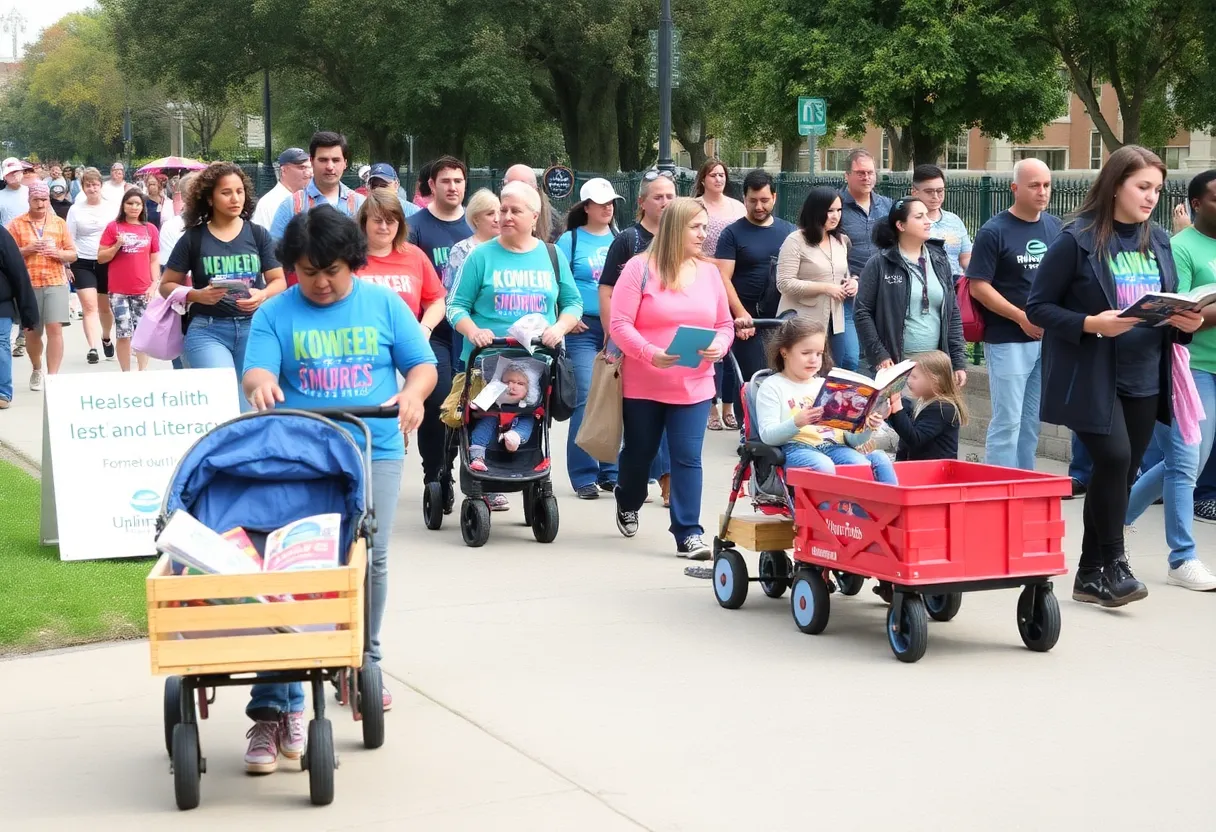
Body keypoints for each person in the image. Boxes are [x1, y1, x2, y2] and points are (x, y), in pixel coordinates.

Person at [241, 205, 437, 773]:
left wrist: (413, 394)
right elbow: (255, 372)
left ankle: (363, 661)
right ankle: (280, 701)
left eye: (332, 270)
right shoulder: (276, 313)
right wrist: (263, 383)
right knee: (291, 567)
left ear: (352, 262)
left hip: (372, 444)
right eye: (308, 272)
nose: (321, 283)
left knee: (369, 556)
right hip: (301, 451)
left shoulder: (381, 303)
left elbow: (420, 364)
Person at [1026, 145, 1203, 608]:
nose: (1150, 198)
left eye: (1157, 190)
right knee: (1116, 459)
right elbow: (1038, 307)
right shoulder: (1077, 239)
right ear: (1116, 184)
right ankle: (1116, 563)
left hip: (1147, 374)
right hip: (1092, 374)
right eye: (1142, 187)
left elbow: (1166, 301)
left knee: (1119, 473)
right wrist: (1091, 324)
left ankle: (1089, 575)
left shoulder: (1160, 239)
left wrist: (1185, 321)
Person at [609, 197, 734, 558]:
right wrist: (650, 353)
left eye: (704, 227)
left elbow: (724, 324)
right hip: (644, 382)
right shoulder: (638, 268)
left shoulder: (709, 273)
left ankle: (688, 532)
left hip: (695, 383)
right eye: (696, 227)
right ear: (675, 228)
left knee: (687, 457)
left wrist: (721, 345)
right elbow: (619, 325)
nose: (703, 234)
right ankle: (627, 498)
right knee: (640, 453)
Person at [1122, 168, 1216, 591]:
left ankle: (1114, 518)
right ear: (1197, 203)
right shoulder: (1179, 246)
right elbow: (1178, 314)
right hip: (1191, 368)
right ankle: (1182, 558)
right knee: (1185, 462)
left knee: (1182, 461)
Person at [161, 162, 287, 404]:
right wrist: (196, 295)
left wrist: (262, 295)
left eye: (239, 192)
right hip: (208, 330)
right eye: (226, 192)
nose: (235, 198)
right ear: (210, 198)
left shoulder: (258, 234)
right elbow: (166, 285)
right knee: (223, 401)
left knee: (248, 405)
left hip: (254, 329)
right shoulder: (193, 238)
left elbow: (278, 280)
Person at [966, 158, 1061, 470]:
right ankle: (997, 487)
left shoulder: (1054, 226)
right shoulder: (994, 231)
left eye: (1046, 185)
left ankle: (1024, 484)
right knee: (1007, 421)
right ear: (1015, 188)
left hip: (1046, 339)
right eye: (1034, 185)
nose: (1042, 192)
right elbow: (979, 287)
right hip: (1008, 339)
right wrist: (1021, 317)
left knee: (1031, 421)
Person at [598, 171, 677, 504]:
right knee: (642, 422)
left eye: (671, 196)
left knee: (670, 413)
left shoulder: (681, 242)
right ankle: (632, 480)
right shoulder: (628, 240)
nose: (665, 202)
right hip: (631, 341)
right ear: (642, 203)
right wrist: (611, 335)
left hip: (670, 344)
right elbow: (607, 289)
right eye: (658, 197)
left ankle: (667, 480)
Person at [408, 156, 479, 505]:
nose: (453, 187)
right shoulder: (415, 227)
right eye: (446, 181)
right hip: (432, 330)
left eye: (459, 181)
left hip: (469, 333)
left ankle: (470, 467)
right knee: (438, 402)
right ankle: (436, 473)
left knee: (473, 403)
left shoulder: (475, 226)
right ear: (431, 185)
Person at [755, 316, 896, 482]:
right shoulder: (772, 386)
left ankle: (869, 506)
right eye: (806, 353)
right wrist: (797, 422)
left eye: (819, 353)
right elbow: (767, 435)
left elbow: (852, 440)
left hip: (835, 445)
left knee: (860, 465)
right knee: (823, 466)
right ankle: (832, 507)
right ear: (784, 352)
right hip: (797, 447)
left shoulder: (826, 385)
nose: (814, 359)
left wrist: (867, 427)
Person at [854, 197, 968, 387]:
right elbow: (862, 311)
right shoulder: (880, 263)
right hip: (897, 365)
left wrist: (958, 362)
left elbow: (952, 312)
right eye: (919, 216)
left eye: (927, 215)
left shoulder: (939, 260)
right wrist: (879, 354)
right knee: (900, 415)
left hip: (936, 364)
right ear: (901, 225)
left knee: (932, 416)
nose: (928, 221)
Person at [714, 169, 796, 425]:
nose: (759, 206)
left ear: (774, 197)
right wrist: (740, 314)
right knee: (751, 379)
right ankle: (748, 432)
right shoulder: (732, 233)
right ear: (744, 198)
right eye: (752, 201)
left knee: (783, 378)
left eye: (764, 200)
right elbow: (723, 277)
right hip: (747, 321)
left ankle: (777, 431)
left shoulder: (789, 232)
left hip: (782, 319)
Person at [557, 177, 621, 498]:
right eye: (601, 202)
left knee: (614, 398)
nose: (608, 207)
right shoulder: (568, 242)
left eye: (611, 201)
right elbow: (556, 282)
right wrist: (567, 316)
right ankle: (583, 474)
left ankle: (611, 470)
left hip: (617, 331)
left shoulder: (622, 240)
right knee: (585, 397)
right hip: (581, 332)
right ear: (587, 208)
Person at [776, 186, 858, 371]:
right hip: (802, 321)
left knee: (833, 372)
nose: (835, 216)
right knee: (806, 375)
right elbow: (784, 283)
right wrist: (825, 288)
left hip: (835, 321)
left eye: (839, 210)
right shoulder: (795, 240)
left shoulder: (841, 241)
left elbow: (842, 274)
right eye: (830, 210)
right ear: (816, 211)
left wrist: (852, 283)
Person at [8, 181, 76, 390]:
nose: (40, 203)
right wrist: (26, 249)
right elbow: (7, 256)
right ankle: (37, 368)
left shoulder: (58, 223)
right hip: (28, 284)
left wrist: (59, 254)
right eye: (36, 199)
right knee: (32, 332)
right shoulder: (16, 224)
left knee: (55, 329)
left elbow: (73, 253)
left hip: (55, 281)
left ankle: (53, 376)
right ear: (28, 200)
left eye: (44, 199)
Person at [693, 158, 746, 430]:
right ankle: (711, 406)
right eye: (713, 174)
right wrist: (715, 263)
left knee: (729, 347)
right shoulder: (696, 207)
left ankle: (728, 406)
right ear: (703, 178)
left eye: (722, 174)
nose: (718, 179)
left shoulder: (737, 207)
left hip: (731, 279)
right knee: (709, 344)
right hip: (702, 274)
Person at [355, 189, 446, 328]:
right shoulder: (348, 257)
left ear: (400, 224)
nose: (384, 227)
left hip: (406, 342)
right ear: (364, 221)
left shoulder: (415, 255)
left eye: (390, 221)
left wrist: (425, 329)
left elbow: (436, 301)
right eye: (377, 221)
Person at [97, 189, 160, 372]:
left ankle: (142, 371)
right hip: (118, 290)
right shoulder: (113, 227)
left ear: (143, 207)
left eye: (138, 204)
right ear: (123, 205)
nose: (134, 207)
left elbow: (154, 259)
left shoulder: (150, 229)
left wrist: (153, 284)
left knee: (142, 333)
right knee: (123, 333)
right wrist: (117, 245)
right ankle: (126, 373)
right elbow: (101, 257)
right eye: (130, 203)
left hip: (143, 288)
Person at [269, 131, 366, 241]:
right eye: (323, 160)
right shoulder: (291, 206)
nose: (330, 166)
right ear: (312, 161)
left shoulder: (361, 204)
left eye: (336, 160)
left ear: (345, 163)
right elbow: (274, 252)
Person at [66, 167, 117, 364]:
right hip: (82, 261)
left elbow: (116, 233)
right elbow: (69, 237)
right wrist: (67, 264)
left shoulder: (111, 208)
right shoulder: (75, 209)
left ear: (101, 186)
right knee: (89, 306)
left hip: (105, 260)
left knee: (105, 308)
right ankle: (93, 347)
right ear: (83, 187)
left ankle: (105, 337)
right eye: (88, 185)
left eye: (95, 185)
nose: (92, 189)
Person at [886, 350, 967, 461]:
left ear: (934, 381)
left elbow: (915, 439)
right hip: (920, 468)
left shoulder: (943, 408)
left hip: (935, 472)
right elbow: (905, 428)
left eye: (914, 377)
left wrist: (897, 405)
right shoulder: (923, 401)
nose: (909, 381)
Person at [468, 363, 538, 471]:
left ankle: (514, 437)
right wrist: (477, 404)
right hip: (491, 439)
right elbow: (476, 407)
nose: (512, 386)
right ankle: (478, 457)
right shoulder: (493, 400)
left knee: (528, 420)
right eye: (506, 382)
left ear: (529, 389)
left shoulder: (527, 406)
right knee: (486, 422)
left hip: (519, 439)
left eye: (520, 383)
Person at [0, 223, 38, 409]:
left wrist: (27, 310)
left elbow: (18, 272)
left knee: (1, 343)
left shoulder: (1, 234)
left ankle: (3, 392)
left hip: (1, 302)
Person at [910, 165, 972, 277]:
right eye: (929, 191)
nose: (936, 196)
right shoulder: (909, 222)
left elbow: (966, 257)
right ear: (915, 192)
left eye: (940, 191)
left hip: (955, 286)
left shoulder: (954, 221)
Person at [252, 148, 312, 230]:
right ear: (284, 170)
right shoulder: (269, 203)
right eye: (302, 168)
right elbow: (262, 240)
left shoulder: (311, 199)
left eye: (310, 167)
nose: (309, 173)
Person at [503, 164, 561, 243]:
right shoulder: (495, 214)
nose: (513, 191)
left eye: (520, 187)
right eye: (508, 186)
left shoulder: (552, 219)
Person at [0, 158, 30, 228]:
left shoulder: (30, 192)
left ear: (22, 172)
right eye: (9, 173)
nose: (14, 175)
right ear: (4, 177)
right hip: (7, 236)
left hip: (29, 235)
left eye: (16, 171)